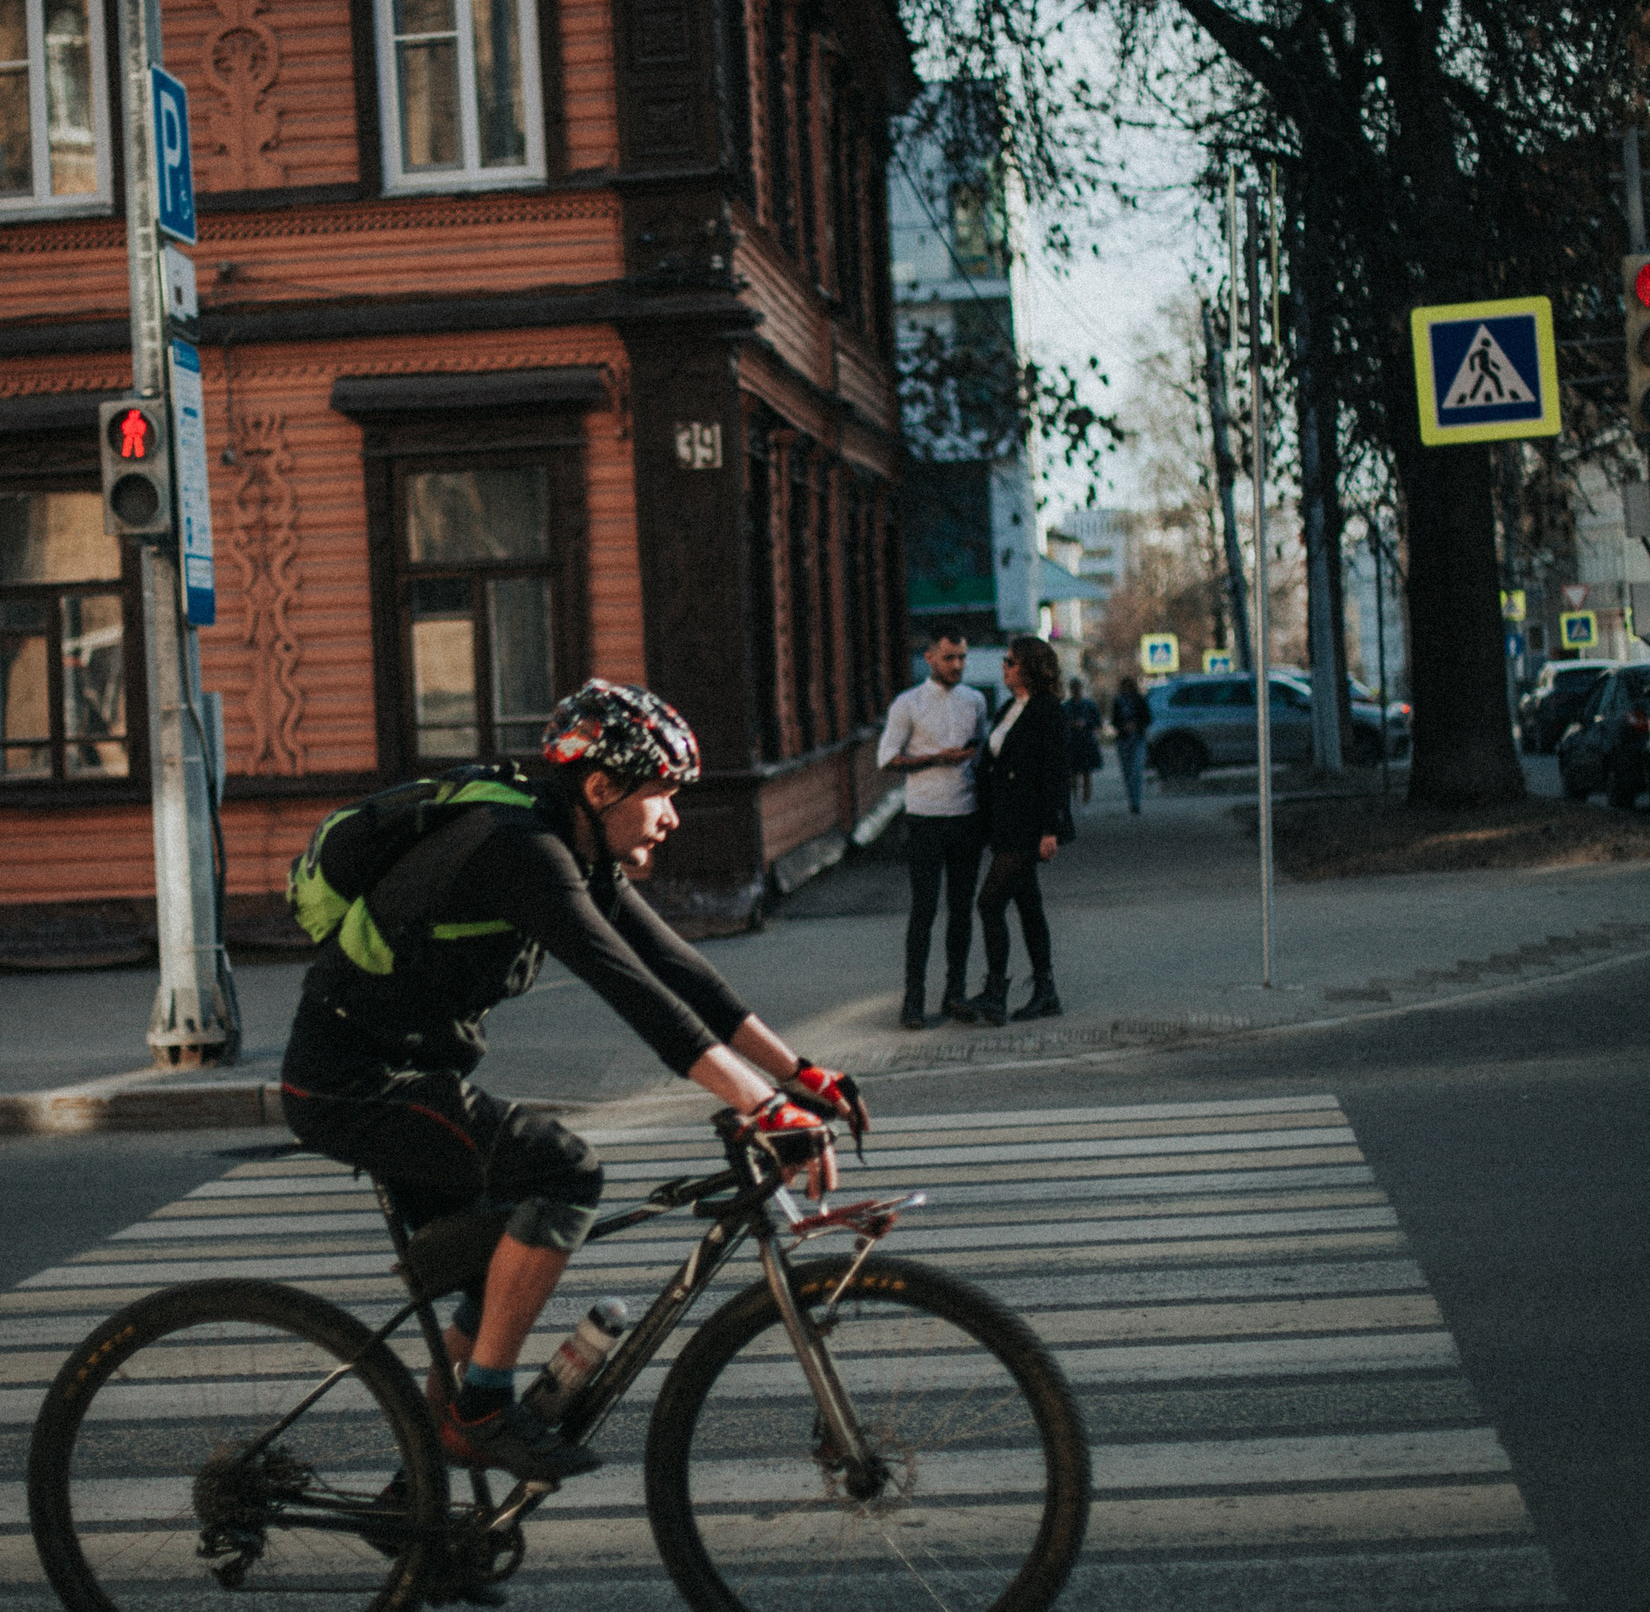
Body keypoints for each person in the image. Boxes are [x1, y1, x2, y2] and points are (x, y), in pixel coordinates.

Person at [279, 680, 868, 1488]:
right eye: (662, 793)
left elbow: (678, 972)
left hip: (411, 1068)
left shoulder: (571, 845)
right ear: (601, 788)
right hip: (351, 1082)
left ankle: (416, 1511)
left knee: (493, 1279)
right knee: (563, 1171)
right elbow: (635, 996)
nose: (673, 815)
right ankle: (480, 1408)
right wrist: (762, 1105)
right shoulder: (521, 850)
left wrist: (800, 1072)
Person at [876, 627, 988, 1030]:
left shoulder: (975, 700)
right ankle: (914, 1000)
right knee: (923, 910)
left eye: (961, 658)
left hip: (966, 815)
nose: (956, 665)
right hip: (924, 816)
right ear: (929, 658)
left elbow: (982, 750)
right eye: (948, 658)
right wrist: (935, 759)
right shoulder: (909, 704)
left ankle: (954, 993)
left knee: (961, 909)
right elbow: (887, 759)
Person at [972, 636, 1071, 1024]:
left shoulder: (1048, 711)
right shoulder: (1008, 708)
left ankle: (996, 991)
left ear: (1029, 666)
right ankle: (1046, 992)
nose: (1004, 666)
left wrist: (1051, 830)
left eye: (1010, 661)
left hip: (1029, 826)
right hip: (1004, 823)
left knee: (989, 902)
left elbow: (1056, 774)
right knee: (1029, 907)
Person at [1111, 670, 1153, 816]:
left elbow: (1147, 718)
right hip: (1124, 740)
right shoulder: (1119, 701)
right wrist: (1123, 727)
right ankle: (1132, 800)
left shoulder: (1139, 700)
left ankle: (1136, 802)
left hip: (1138, 738)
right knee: (1128, 772)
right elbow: (1114, 720)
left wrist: (1136, 725)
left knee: (1136, 770)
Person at [1062, 676, 1104, 805]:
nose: (1076, 690)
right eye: (1073, 688)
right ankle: (1075, 800)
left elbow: (1098, 723)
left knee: (1086, 774)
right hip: (1072, 743)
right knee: (1072, 775)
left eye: (1077, 688)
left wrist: (1085, 724)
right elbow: (1061, 724)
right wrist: (1071, 725)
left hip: (1086, 742)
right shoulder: (1066, 706)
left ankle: (1085, 801)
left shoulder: (1089, 705)